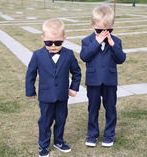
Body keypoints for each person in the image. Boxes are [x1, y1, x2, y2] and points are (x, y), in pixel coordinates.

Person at [26, 18, 81, 157]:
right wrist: (30, 90)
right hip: (45, 97)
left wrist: (74, 87)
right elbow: (30, 74)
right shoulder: (37, 55)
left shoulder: (68, 54)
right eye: (48, 42)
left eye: (58, 42)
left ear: (64, 38)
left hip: (62, 95)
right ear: (42, 38)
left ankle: (59, 141)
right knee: (45, 121)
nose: (53, 46)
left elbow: (77, 72)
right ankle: (43, 145)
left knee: (61, 119)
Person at [80, 5, 126, 147]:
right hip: (93, 82)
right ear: (93, 24)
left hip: (110, 81)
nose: (104, 33)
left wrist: (112, 45)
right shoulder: (87, 41)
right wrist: (97, 41)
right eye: (100, 30)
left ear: (112, 26)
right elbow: (84, 56)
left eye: (108, 30)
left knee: (110, 108)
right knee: (93, 108)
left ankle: (109, 135)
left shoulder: (116, 41)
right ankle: (92, 135)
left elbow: (121, 59)